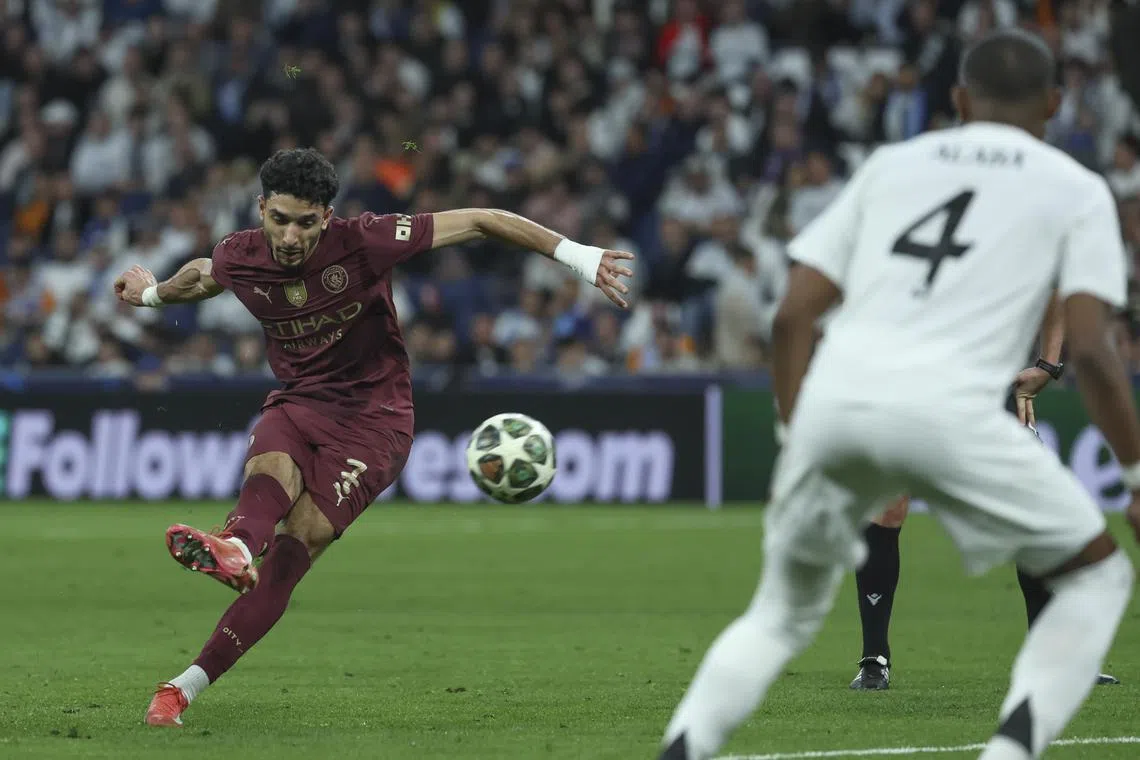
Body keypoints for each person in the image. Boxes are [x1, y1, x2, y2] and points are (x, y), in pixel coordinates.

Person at [659, 29, 1139, 760]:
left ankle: (682, 748)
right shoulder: (1075, 189)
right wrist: (1135, 473)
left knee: (779, 614)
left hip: (839, 400)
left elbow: (792, 314)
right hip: (958, 402)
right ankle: (1010, 749)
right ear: (1054, 101)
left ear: (955, 99)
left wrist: (796, 440)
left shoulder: (890, 165)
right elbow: (1099, 353)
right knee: (1098, 576)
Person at [113, 148, 634, 727]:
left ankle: (186, 683)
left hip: (374, 419)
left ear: (327, 217)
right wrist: (153, 294)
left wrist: (579, 256)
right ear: (261, 209)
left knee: (297, 545)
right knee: (269, 471)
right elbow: (204, 277)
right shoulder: (240, 254)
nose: (290, 236)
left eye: (306, 223)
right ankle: (234, 548)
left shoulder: (366, 241)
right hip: (300, 399)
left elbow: (484, 219)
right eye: (279, 218)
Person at [848, 324, 1120, 689]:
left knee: (1036, 507)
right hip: (909, 376)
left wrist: (1049, 364)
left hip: (986, 378)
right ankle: (874, 660)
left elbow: (1056, 287)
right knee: (889, 501)